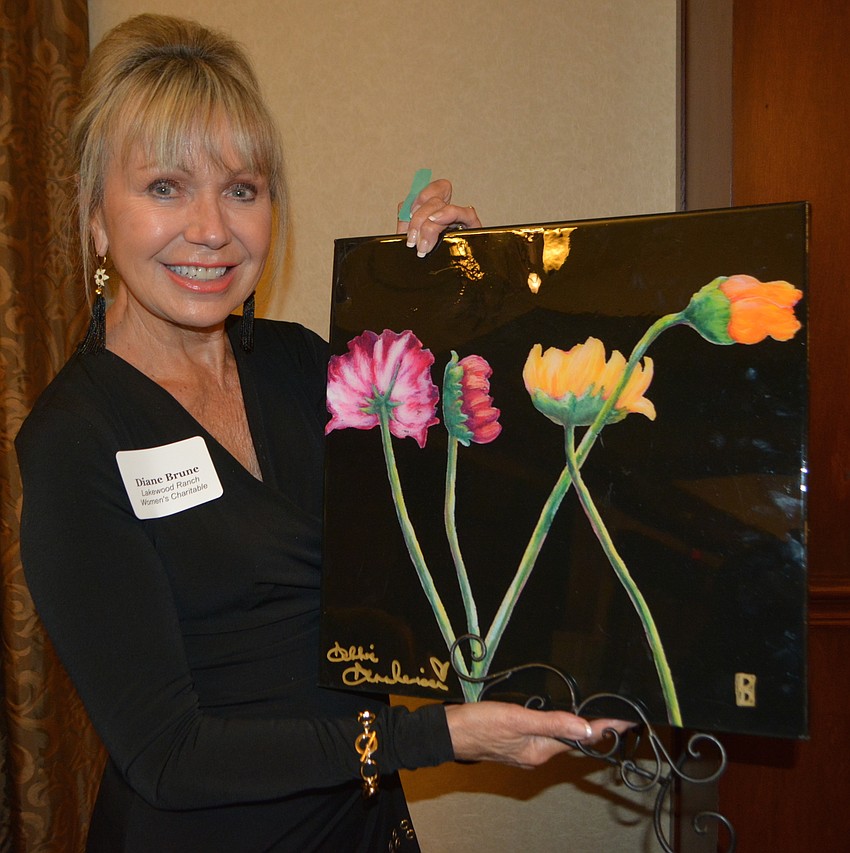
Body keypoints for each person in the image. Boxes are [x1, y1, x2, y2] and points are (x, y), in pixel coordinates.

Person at [15, 14, 619, 852]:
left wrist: (450, 290)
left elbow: (472, 488)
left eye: (242, 188)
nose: (211, 228)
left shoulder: (303, 369)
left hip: (363, 825)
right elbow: (169, 755)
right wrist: (435, 736)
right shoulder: (73, 438)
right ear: (96, 217)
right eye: (164, 187)